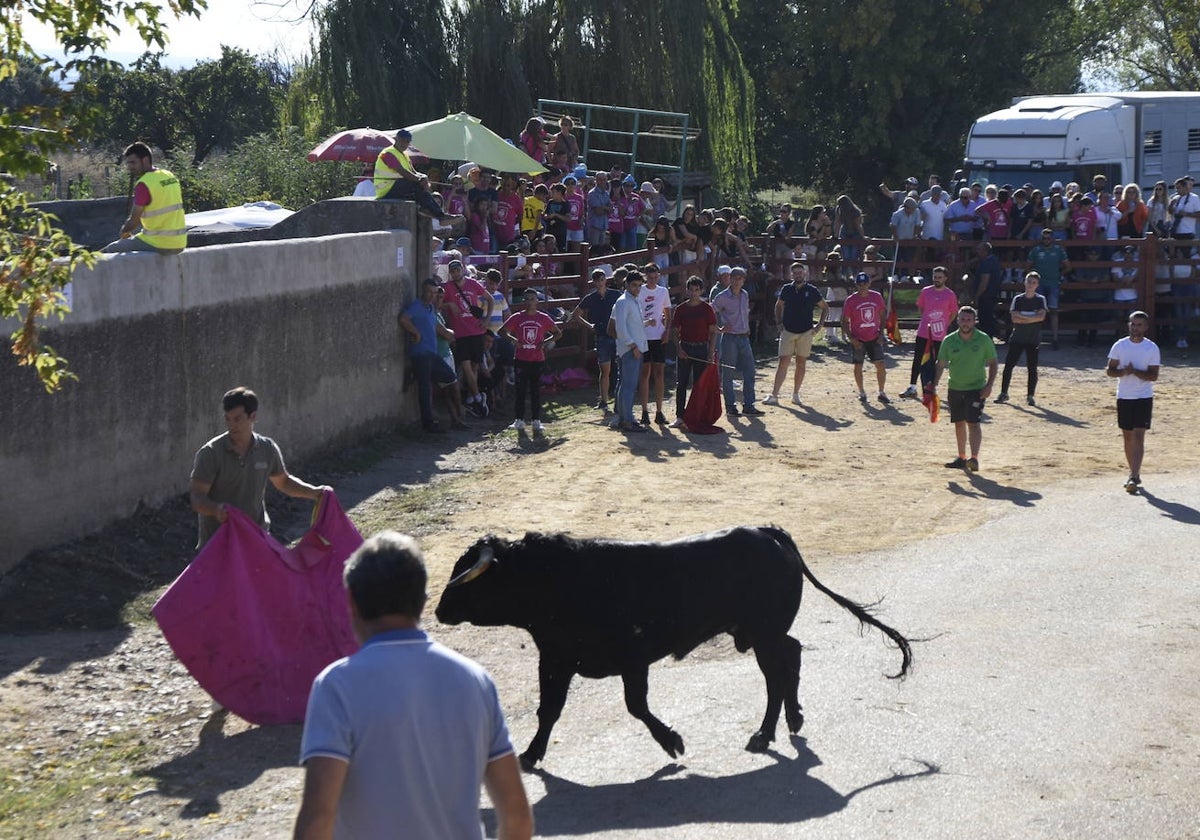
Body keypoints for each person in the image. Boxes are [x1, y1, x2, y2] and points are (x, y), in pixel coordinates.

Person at [293, 531, 533, 840]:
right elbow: (517, 818)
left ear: (350, 600)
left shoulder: (337, 686)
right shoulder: (475, 681)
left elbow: (317, 818)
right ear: (422, 599)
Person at [189, 387, 327, 549]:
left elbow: (284, 482)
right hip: (218, 545)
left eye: (237, 419)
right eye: (228, 419)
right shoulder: (210, 453)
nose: (231, 425)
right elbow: (197, 497)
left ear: (253, 417)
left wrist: (315, 493)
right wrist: (216, 510)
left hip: (256, 542)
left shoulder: (267, 449)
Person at [932, 306, 998, 472]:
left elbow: (993, 363)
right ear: (957, 320)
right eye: (963, 319)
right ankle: (962, 457)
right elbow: (940, 365)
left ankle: (974, 458)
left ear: (975, 321)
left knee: (973, 423)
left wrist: (989, 385)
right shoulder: (949, 340)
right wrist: (933, 384)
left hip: (976, 388)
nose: (965, 323)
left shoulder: (983, 339)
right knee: (959, 423)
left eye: (969, 319)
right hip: (955, 386)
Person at [1106, 310, 1160, 494]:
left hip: (1143, 397)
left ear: (1145, 327)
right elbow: (1110, 370)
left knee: (1138, 435)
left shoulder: (1151, 348)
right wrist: (1123, 373)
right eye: (1132, 324)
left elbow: (1153, 376)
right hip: (1124, 396)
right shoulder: (1119, 346)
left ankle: (1134, 474)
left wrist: (1135, 371)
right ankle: (1133, 472)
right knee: (1128, 436)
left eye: (1138, 324)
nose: (1135, 327)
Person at [399, 279, 464, 433]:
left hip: (432, 353)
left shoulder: (430, 309)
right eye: (429, 292)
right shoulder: (417, 306)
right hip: (420, 352)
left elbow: (434, 326)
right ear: (423, 290)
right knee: (425, 388)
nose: (432, 295)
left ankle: (415, 373)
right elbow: (403, 318)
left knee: (449, 376)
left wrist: (448, 334)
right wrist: (415, 332)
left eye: (435, 293)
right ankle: (428, 424)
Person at [100, 141, 186, 254]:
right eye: (128, 163)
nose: (130, 167)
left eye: (133, 163)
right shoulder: (169, 175)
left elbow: (134, 221)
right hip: (179, 242)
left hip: (157, 243)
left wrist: (124, 231)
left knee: (109, 250)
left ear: (145, 160)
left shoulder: (144, 184)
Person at [765, 259, 827, 405]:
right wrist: (779, 322)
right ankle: (775, 394)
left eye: (800, 272)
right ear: (792, 275)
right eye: (795, 273)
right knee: (783, 362)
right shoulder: (786, 289)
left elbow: (825, 307)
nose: (798, 275)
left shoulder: (812, 290)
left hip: (806, 332)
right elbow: (778, 305)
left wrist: (819, 325)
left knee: (801, 363)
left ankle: (796, 394)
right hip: (788, 330)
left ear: (804, 273)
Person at [372, 129, 463, 227]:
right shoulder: (387, 153)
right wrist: (420, 180)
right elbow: (403, 172)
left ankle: (438, 216)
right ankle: (440, 216)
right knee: (416, 185)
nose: (405, 144)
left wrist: (424, 177)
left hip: (396, 187)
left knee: (420, 193)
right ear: (396, 139)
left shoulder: (404, 155)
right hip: (386, 189)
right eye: (402, 140)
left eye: (407, 142)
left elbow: (413, 172)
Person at [501, 290, 562, 435]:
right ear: (524, 301)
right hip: (521, 358)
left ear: (537, 301)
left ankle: (536, 420)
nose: (530, 302)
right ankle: (519, 419)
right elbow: (503, 331)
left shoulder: (543, 318)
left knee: (535, 390)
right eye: (527, 299)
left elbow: (558, 333)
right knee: (520, 390)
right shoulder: (517, 317)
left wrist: (545, 342)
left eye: (532, 299)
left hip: (537, 359)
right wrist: (515, 341)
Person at [443, 259, 494, 417]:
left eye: (457, 270)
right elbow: (436, 305)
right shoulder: (447, 288)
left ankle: (473, 397)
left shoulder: (472, 284)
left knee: (474, 366)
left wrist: (486, 319)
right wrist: (448, 305)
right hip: (460, 333)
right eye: (453, 271)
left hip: (476, 331)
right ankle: (478, 396)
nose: (456, 273)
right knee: (465, 365)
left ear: (462, 269)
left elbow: (490, 299)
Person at [902, 266, 960, 399]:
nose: (937, 279)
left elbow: (954, 312)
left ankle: (931, 387)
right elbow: (921, 308)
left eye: (940, 277)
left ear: (945, 278)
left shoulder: (950, 294)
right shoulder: (925, 291)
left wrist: (946, 324)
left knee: (936, 361)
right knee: (917, 358)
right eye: (935, 277)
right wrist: (926, 321)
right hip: (924, 332)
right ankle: (912, 386)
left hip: (939, 334)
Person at [712, 266, 763, 417]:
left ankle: (749, 404)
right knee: (728, 373)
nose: (736, 281)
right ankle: (730, 405)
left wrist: (746, 328)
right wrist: (719, 328)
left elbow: (744, 314)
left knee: (750, 371)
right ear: (730, 279)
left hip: (743, 336)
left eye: (739, 279)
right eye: (734, 278)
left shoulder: (745, 295)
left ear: (743, 281)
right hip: (730, 338)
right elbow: (711, 311)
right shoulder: (722, 296)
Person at [670, 275, 718, 428]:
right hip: (686, 347)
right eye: (691, 290)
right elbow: (674, 332)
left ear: (701, 291)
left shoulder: (707, 309)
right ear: (687, 291)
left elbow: (713, 332)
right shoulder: (681, 309)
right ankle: (680, 416)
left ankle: (697, 415)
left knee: (699, 384)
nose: (693, 293)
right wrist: (679, 349)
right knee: (681, 383)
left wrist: (710, 353)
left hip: (701, 348)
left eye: (696, 290)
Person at [572, 268, 622, 412]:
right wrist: (590, 326)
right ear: (594, 282)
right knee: (605, 370)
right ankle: (604, 400)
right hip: (602, 336)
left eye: (601, 279)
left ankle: (618, 401)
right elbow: (576, 314)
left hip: (616, 335)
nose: (600, 283)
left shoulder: (616, 295)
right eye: (597, 280)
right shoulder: (591, 298)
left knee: (618, 369)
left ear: (605, 280)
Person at [996, 272, 1047, 406]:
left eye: (1034, 282)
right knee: (1008, 366)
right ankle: (1004, 393)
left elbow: (1041, 317)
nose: (1031, 285)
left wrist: (1023, 318)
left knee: (1032, 368)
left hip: (1033, 339)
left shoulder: (1040, 299)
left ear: (1037, 285)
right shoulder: (1018, 299)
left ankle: (1030, 395)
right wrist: (1033, 318)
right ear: (1025, 282)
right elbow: (1014, 318)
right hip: (1018, 338)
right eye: (1029, 281)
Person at [841, 272, 890, 404]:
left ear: (869, 283)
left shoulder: (877, 297)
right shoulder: (851, 300)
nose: (862, 286)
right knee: (858, 365)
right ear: (856, 285)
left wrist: (881, 334)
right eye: (859, 284)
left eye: (864, 284)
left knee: (880, 364)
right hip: (858, 337)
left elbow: (882, 315)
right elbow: (844, 321)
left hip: (874, 336)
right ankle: (861, 392)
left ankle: (881, 391)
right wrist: (852, 338)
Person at [609, 270, 648, 432]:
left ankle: (624, 417)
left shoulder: (631, 301)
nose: (637, 288)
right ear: (626, 284)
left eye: (639, 285)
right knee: (629, 386)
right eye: (634, 285)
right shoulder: (624, 301)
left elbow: (629, 326)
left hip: (631, 348)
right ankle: (627, 419)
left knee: (626, 384)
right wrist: (633, 346)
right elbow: (620, 328)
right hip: (630, 349)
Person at [637, 263, 672, 426]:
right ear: (645, 276)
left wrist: (667, 331)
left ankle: (659, 411)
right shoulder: (640, 290)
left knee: (659, 374)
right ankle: (644, 411)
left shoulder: (663, 291)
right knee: (644, 373)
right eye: (650, 277)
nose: (653, 280)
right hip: (643, 337)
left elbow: (668, 314)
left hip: (658, 337)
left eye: (655, 277)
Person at [1026, 228, 1071, 350]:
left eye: (1048, 238)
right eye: (1044, 238)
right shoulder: (1036, 250)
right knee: (1038, 312)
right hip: (1039, 285)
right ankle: (1037, 339)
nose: (1046, 240)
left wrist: (1059, 274)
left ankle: (1055, 338)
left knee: (1054, 311)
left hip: (1053, 284)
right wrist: (1034, 279)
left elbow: (1067, 266)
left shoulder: (1058, 250)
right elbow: (1028, 266)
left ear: (1052, 239)